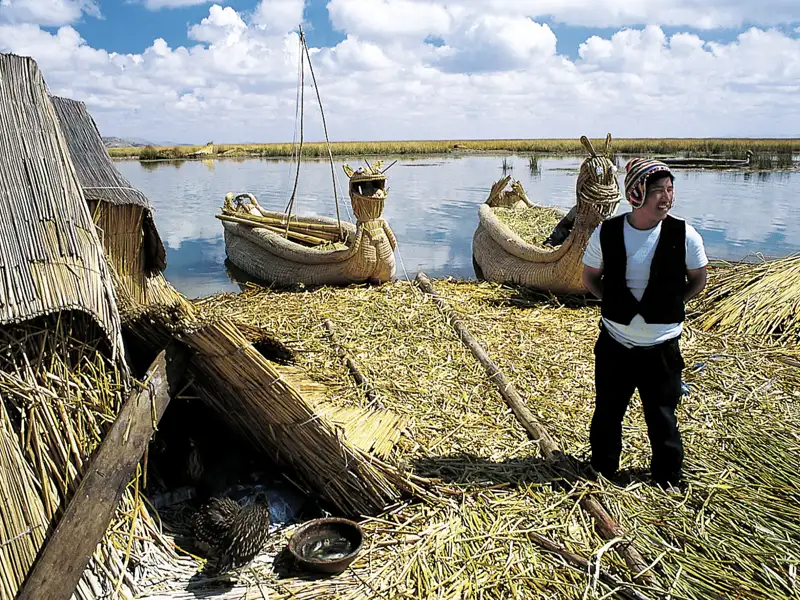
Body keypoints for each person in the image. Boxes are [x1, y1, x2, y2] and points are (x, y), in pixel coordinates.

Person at [581, 158, 708, 489]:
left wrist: (668, 304)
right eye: (658, 191)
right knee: (607, 413)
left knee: (662, 416)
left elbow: (698, 280)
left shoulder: (685, 235)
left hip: (662, 349)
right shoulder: (606, 232)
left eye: (670, 189)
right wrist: (615, 304)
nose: (667, 197)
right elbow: (591, 278)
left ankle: (668, 478)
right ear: (637, 194)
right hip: (615, 345)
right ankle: (603, 471)